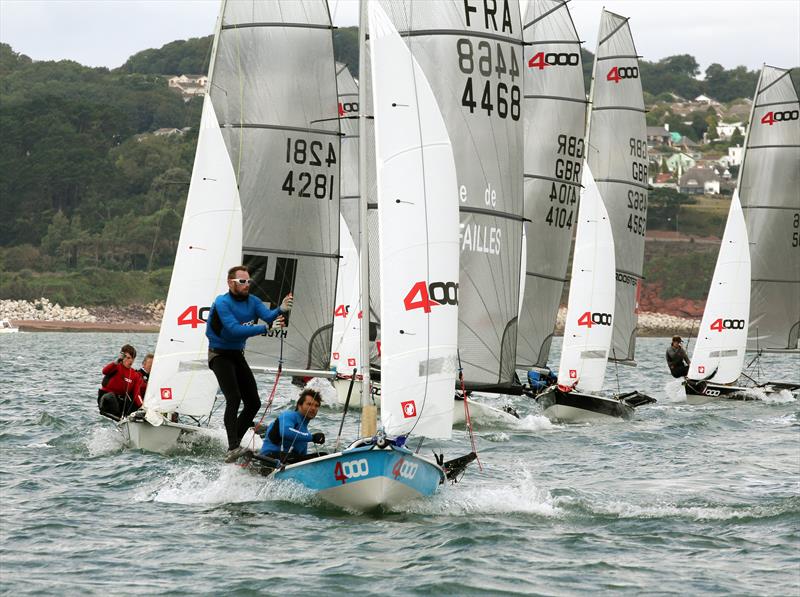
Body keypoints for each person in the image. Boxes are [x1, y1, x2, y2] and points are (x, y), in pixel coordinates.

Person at [206, 265, 293, 462]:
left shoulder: (253, 301)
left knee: (254, 402)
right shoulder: (222, 302)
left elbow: (269, 316)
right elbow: (234, 330)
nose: (247, 285)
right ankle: (233, 447)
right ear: (230, 283)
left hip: (237, 354)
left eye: (248, 282)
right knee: (234, 398)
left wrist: (281, 308)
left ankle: (234, 440)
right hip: (218, 355)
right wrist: (266, 328)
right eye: (242, 282)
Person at [259, 388, 325, 463]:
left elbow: (302, 459)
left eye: (316, 406)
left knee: (321, 457)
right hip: (269, 459)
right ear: (299, 405)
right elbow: (285, 432)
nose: (313, 408)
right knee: (323, 456)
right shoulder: (289, 415)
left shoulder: (305, 433)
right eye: (309, 404)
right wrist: (312, 438)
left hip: (287, 462)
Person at [98, 344, 143, 420]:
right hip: (107, 399)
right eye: (128, 358)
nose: (131, 361)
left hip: (120, 402)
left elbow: (137, 394)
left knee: (134, 405)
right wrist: (116, 362)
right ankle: (118, 417)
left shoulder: (135, 375)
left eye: (133, 358)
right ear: (122, 357)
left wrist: (142, 407)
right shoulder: (116, 366)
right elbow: (104, 371)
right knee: (111, 397)